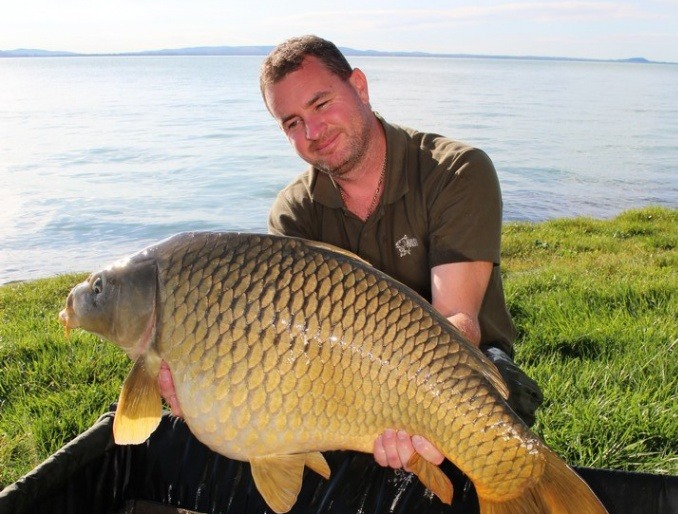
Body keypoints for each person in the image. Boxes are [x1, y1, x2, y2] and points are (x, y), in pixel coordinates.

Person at [158, 34, 542, 476]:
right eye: (291, 123)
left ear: (359, 86)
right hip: (336, 381)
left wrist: (401, 402)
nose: (312, 133)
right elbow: (281, 348)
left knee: (497, 468)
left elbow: (459, 324)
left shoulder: (455, 171)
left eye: (321, 105)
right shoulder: (293, 214)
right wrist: (209, 396)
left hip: (466, 373)